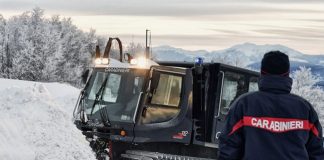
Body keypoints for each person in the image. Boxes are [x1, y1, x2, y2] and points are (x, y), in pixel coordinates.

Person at [218, 51, 324, 160]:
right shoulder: (305, 109)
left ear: (262, 72)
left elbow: (228, 147)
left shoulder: (243, 105)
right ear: (287, 74)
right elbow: (317, 152)